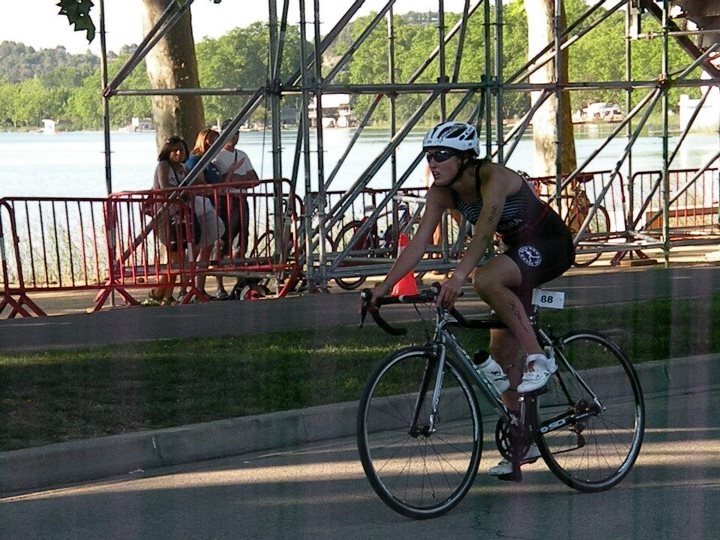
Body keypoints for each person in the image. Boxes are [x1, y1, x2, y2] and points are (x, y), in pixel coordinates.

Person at [370, 121, 575, 477]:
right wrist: (383, 287)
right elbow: (418, 244)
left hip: (550, 244)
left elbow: (481, 235)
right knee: (500, 355)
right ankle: (520, 441)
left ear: (465, 158)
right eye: (428, 156)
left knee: (487, 278)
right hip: (516, 252)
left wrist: (458, 278)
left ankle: (540, 361)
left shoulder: (492, 177)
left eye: (441, 156)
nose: (432, 163)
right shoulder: (441, 192)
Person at [210, 119, 260, 300]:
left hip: (241, 201)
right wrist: (239, 177)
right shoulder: (216, 156)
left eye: (237, 133)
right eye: (231, 133)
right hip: (225, 202)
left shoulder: (242, 154)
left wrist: (236, 177)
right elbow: (223, 181)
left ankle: (240, 282)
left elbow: (254, 179)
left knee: (242, 242)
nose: (234, 137)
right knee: (222, 243)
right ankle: (219, 286)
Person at [146, 135, 191, 306]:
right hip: (164, 215)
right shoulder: (163, 166)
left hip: (179, 215)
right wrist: (183, 190)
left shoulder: (183, 168)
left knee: (178, 255)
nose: (178, 153)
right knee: (175, 256)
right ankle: (157, 291)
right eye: (174, 150)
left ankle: (167, 295)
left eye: (181, 149)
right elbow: (165, 187)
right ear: (168, 152)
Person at [184, 128, 226, 299]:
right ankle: (186, 287)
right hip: (198, 208)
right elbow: (198, 183)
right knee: (193, 248)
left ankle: (199, 288)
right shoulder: (195, 160)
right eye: (210, 140)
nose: (213, 144)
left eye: (216, 140)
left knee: (207, 248)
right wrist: (211, 188)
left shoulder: (210, 162)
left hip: (212, 205)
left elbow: (219, 182)